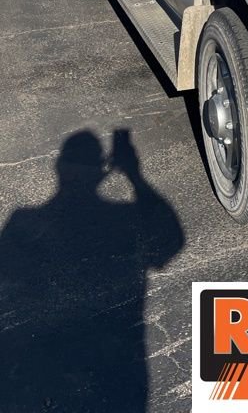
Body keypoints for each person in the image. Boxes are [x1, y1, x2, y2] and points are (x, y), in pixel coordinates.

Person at [0, 129, 184, 412]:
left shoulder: (22, 224)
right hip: (116, 366)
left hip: (38, 371)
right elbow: (171, 241)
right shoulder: (123, 219)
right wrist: (135, 177)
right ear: (103, 171)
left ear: (59, 169)